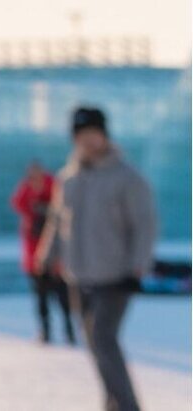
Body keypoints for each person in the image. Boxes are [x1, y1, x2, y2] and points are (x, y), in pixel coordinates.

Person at [36, 106, 157, 411]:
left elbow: (145, 224)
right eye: (82, 135)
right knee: (94, 345)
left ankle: (128, 406)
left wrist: (137, 265)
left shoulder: (127, 177)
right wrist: (46, 256)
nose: (88, 141)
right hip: (79, 274)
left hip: (116, 274)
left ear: (104, 135)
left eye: (94, 134)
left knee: (104, 340)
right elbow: (57, 221)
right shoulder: (68, 178)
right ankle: (112, 404)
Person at [12, 160, 74, 345]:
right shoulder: (26, 189)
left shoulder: (53, 186)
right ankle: (45, 330)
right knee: (41, 297)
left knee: (63, 297)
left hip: (56, 257)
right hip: (35, 255)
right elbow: (17, 204)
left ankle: (69, 330)